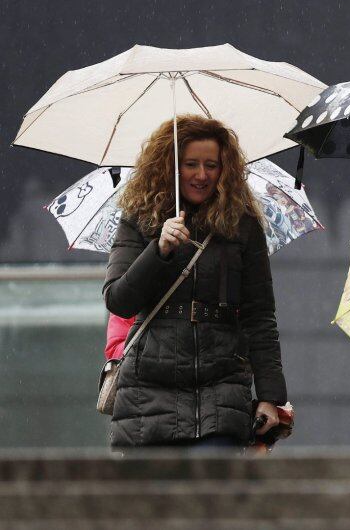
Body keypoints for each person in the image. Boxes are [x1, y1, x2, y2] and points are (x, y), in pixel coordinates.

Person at [103, 115, 286, 450]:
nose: (202, 175)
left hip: (222, 396)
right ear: (169, 167)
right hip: (148, 399)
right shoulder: (138, 218)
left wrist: (271, 397)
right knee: (153, 502)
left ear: (225, 169)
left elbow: (259, 317)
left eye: (212, 165)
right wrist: (158, 250)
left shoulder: (242, 225)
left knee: (216, 498)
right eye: (190, 164)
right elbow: (119, 300)